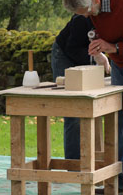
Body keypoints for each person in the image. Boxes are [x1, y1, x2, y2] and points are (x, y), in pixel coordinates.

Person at [63, 0, 123, 194]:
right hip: (119, 63)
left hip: (118, 55)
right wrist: (99, 44)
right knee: (118, 120)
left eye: (88, 13)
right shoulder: (92, 2)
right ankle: (118, 183)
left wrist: (113, 47)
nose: (88, 18)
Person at [51, 14, 110, 160]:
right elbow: (73, 48)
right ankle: (74, 165)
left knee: (96, 105)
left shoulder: (113, 17)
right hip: (65, 55)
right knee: (74, 112)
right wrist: (95, 56)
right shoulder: (82, 18)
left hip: (87, 51)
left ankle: (97, 161)